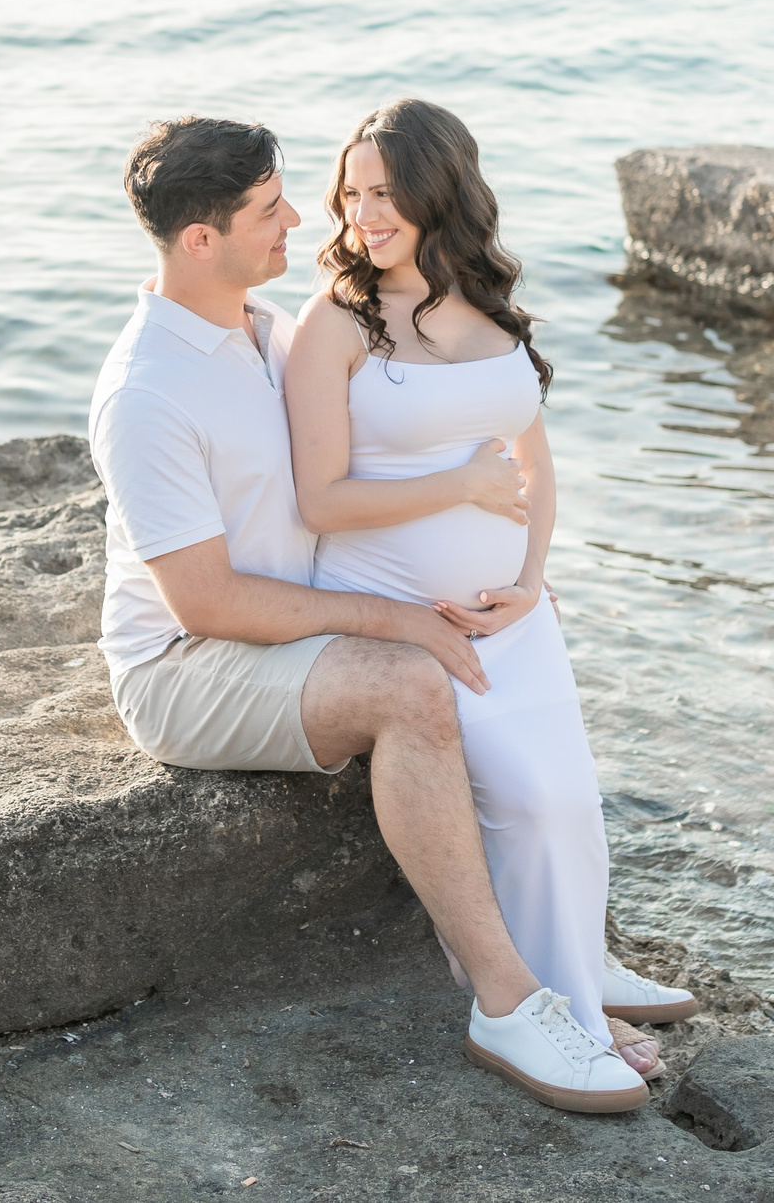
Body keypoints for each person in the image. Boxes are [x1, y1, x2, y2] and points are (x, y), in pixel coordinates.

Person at [88, 114, 652, 1113]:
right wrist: (402, 620)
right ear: (201, 239)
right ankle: (508, 1000)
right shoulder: (148, 389)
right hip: (185, 664)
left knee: (499, 714)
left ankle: (573, 954)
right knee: (408, 687)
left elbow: (374, 460)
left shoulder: (262, 332)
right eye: (270, 208)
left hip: (286, 628)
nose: (305, 218)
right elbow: (206, 600)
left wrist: (497, 560)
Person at [284, 99, 697, 1083]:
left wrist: (529, 578)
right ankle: (551, 1010)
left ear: (440, 190)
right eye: (351, 193)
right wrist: (461, 487)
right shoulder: (336, 323)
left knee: (570, 801)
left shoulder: (487, 300)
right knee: (523, 792)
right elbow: (320, 499)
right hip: (402, 612)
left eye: (383, 192)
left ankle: (581, 970)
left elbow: (534, 457)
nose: (363, 213)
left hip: (506, 611)